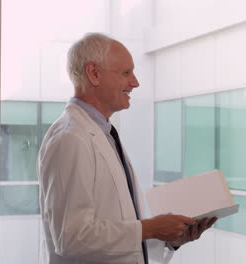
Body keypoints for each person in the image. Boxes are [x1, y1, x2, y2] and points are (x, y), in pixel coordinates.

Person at [37, 32, 217, 264]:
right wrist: (149, 228)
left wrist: (169, 238)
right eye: (125, 73)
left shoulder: (104, 133)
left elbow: (120, 227)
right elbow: (71, 237)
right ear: (94, 73)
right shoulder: (70, 138)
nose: (135, 82)